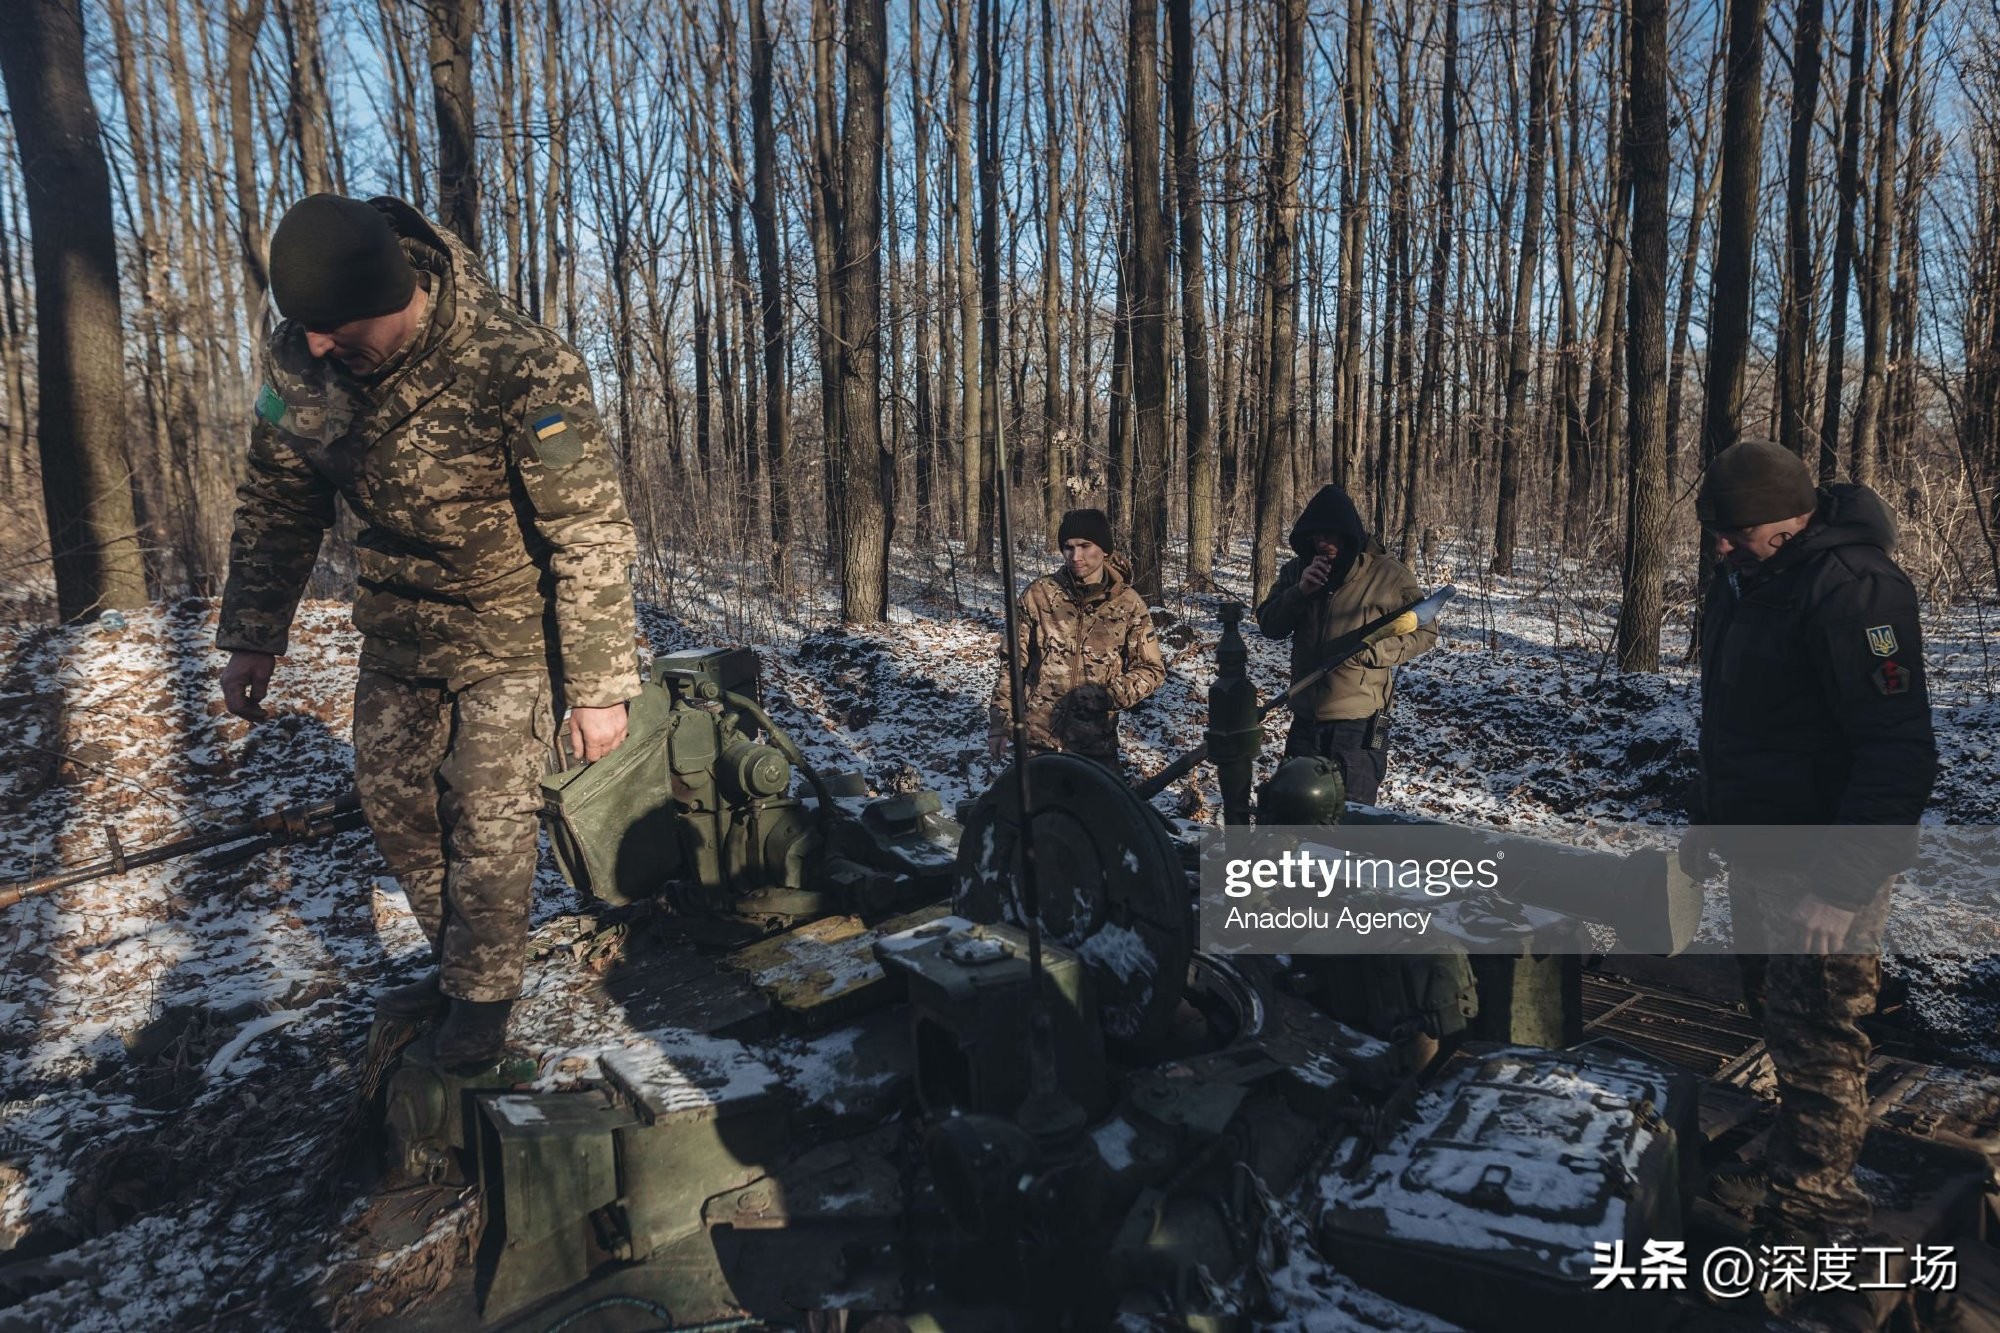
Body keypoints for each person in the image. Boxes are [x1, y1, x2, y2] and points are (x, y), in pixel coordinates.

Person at [216, 194, 642, 1071]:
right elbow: (277, 505)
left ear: (395, 290)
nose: (322, 344)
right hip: (402, 621)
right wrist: (254, 634)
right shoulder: (303, 363)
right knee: (398, 799)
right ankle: (460, 968)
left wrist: (599, 683)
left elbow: (588, 527)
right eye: (309, 328)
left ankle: (483, 999)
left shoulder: (517, 362)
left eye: (338, 326)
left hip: (512, 622)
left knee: (485, 810)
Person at [1684, 440, 1937, 1263]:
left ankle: (1817, 1211)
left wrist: (1839, 885)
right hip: (1761, 846)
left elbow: (1898, 752)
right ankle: (1794, 1162)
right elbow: (1741, 723)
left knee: (1821, 1030)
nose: (1718, 546)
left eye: (1733, 531)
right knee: (1779, 1018)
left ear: (1786, 523)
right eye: (1713, 531)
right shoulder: (1748, 579)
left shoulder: (1856, 591)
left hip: (1827, 862)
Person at [1255, 485, 1436, 805]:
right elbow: (1270, 626)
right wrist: (1300, 592)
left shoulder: (1387, 576)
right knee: (1296, 814)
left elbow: (1425, 631)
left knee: (1349, 823)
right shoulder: (1298, 571)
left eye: (1330, 535)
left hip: (1358, 728)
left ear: (1348, 534)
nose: (1322, 543)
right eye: (1315, 536)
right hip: (1305, 721)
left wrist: (1374, 652)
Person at [988, 508, 1164, 772]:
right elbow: (1012, 662)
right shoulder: (1039, 595)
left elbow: (1152, 670)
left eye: (1085, 545)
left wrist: (1107, 696)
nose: (1076, 556)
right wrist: (1000, 723)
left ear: (1104, 549)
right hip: (1037, 744)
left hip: (1095, 746)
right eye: (1068, 547)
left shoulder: (1128, 605)